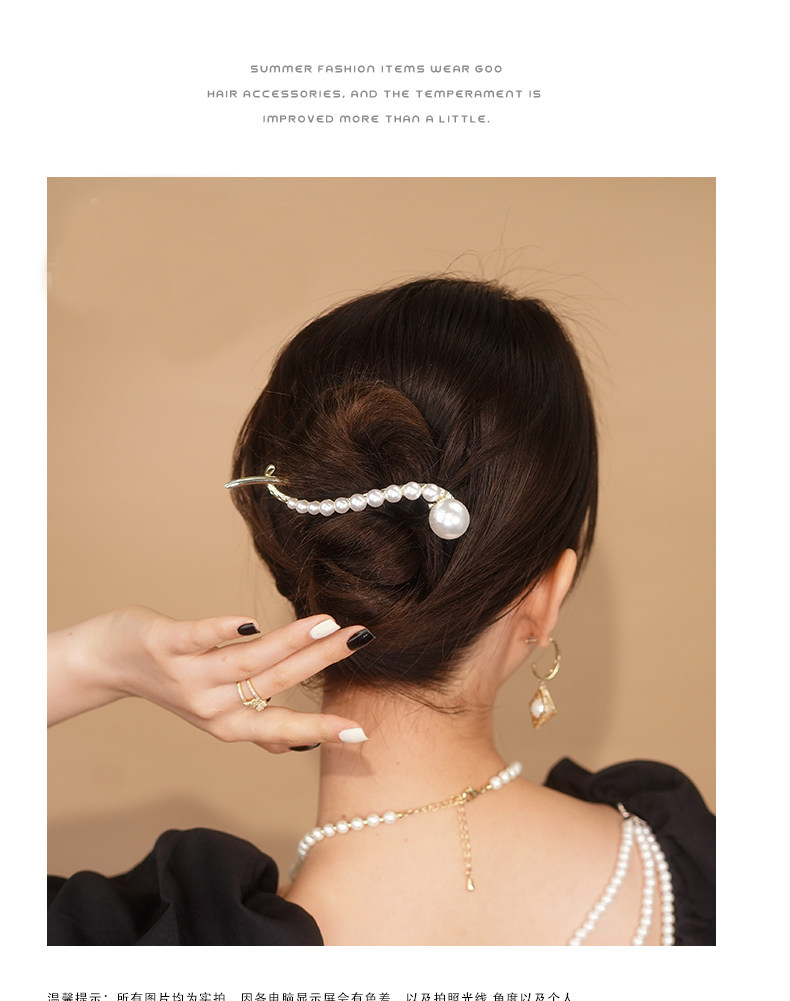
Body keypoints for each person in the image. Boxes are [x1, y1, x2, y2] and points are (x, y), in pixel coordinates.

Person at [48, 276, 715, 946]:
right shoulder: (700, 874)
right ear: (547, 595)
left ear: (300, 559)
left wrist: (96, 660)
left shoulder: (152, 951)